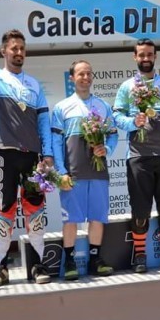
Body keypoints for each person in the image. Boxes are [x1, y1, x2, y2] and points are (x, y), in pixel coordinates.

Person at [0, 0, 55, 288]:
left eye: (22, 49)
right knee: (3, 212)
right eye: (13, 48)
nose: (18, 53)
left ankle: (38, 265)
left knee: (36, 210)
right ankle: (0, 266)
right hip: (3, 155)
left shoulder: (34, 85)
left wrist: (48, 156)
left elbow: (43, 120)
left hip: (32, 157)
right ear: (3, 52)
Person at [114, 38, 160, 273]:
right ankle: (140, 255)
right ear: (134, 57)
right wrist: (132, 122)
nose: (146, 59)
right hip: (138, 157)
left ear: (155, 56)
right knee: (140, 208)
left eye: (149, 55)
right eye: (141, 55)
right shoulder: (127, 87)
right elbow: (117, 117)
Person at [51, 60, 119, 280]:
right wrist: (61, 172)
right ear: (72, 78)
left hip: (98, 173)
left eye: (89, 73)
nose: (86, 77)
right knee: (70, 219)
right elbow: (55, 143)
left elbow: (113, 134)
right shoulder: (62, 107)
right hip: (73, 173)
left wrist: (106, 148)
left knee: (97, 217)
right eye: (81, 74)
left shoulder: (102, 106)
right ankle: (69, 261)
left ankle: (94, 260)